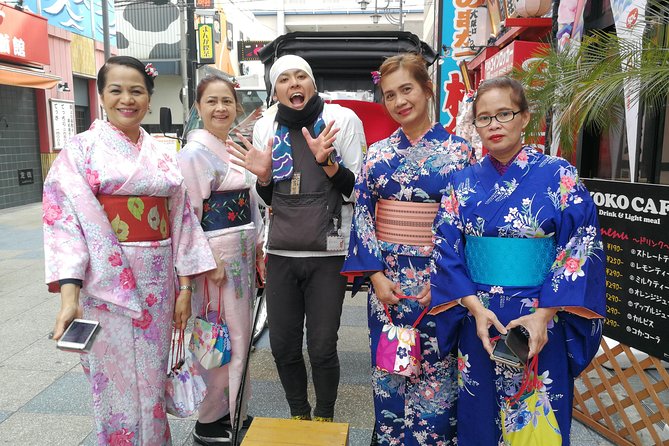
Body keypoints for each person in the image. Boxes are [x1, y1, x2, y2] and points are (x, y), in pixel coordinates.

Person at [44, 56, 216, 444]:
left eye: (137, 91)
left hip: (159, 283)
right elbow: (66, 224)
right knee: (113, 380)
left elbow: (182, 221)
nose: (127, 99)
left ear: (150, 99)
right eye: (116, 90)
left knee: (153, 379)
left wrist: (185, 288)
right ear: (102, 96)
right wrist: (69, 298)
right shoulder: (81, 150)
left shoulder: (161, 152)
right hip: (106, 281)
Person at [430, 77, 605, 445]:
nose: (493, 125)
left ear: (524, 117)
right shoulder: (461, 183)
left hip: (543, 317)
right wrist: (474, 308)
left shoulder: (560, 174)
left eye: (504, 114)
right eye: (483, 118)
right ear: (474, 125)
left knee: (538, 416)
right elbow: (446, 249)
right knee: (478, 416)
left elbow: (580, 244)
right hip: (479, 318)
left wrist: (543, 315)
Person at [341, 53, 477, 445]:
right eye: (390, 95)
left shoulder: (459, 152)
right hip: (388, 283)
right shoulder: (378, 154)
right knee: (388, 371)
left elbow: (462, 224)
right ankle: (389, 438)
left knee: (437, 373)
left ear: (427, 89)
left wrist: (445, 281)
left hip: (439, 284)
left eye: (407, 89)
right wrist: (376, 276)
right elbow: (364, 214)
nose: (400, 101)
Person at [227, 54, 365, 422]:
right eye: (284, 79)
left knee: (322, 347)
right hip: (281, 251)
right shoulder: (267, 126)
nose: (294, 84)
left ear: (313, 83)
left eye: (300, 76)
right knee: (283, 346)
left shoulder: (342, 120)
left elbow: (358, 191)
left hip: (328, 252)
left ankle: (324, 415)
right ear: (276, 89)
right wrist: (265, 179)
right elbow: (267, 199)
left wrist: (328, 163)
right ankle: (299, 415)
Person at [177, 74, 265, 445]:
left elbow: (252, 203)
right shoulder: (194, 153)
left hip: (242, 255)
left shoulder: (230, 147)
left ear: (236, 106)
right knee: (217, 336)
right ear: (199, 108)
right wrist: (204, 263)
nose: (220, 108)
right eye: (211, 101)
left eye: (227, 101)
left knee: (241, 334)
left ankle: (233, 410)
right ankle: (210, 419)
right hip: (215, 263)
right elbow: (187, 216)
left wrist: (260, 245)